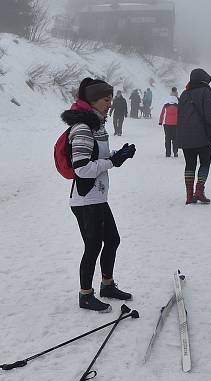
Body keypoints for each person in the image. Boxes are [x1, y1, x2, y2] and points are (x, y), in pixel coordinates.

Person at [61, 78, 136, 312]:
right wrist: (112, 162)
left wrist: (118, 154)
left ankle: (107, 285)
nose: (110, 103)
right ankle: (85, 295)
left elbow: (98, 157)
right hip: (85, 199)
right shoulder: (83, 128)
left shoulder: (97, 126)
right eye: (106, 99)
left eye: (111, 98)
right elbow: (82, 168)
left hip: (97, 197)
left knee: (112, 240)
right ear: (93, 101)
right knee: (92, 246)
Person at [177, 68, 211, 204]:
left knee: (189, 164)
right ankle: (199, 191)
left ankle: (189, 195)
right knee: (204, 163)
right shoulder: (206, 93)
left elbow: (180, 116)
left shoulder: (184, 94)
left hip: (186, 136)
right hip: (203, 135)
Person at [158, 87, 179, 157]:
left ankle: (168, 153)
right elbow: (181, 113)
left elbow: (162, 112)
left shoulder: (167, 101)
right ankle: (175, 152)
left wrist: (160, 121)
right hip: (176, 123)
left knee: (167, 138)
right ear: (176, 91)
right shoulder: (178, 101)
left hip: (167, 123)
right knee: (175, 139)